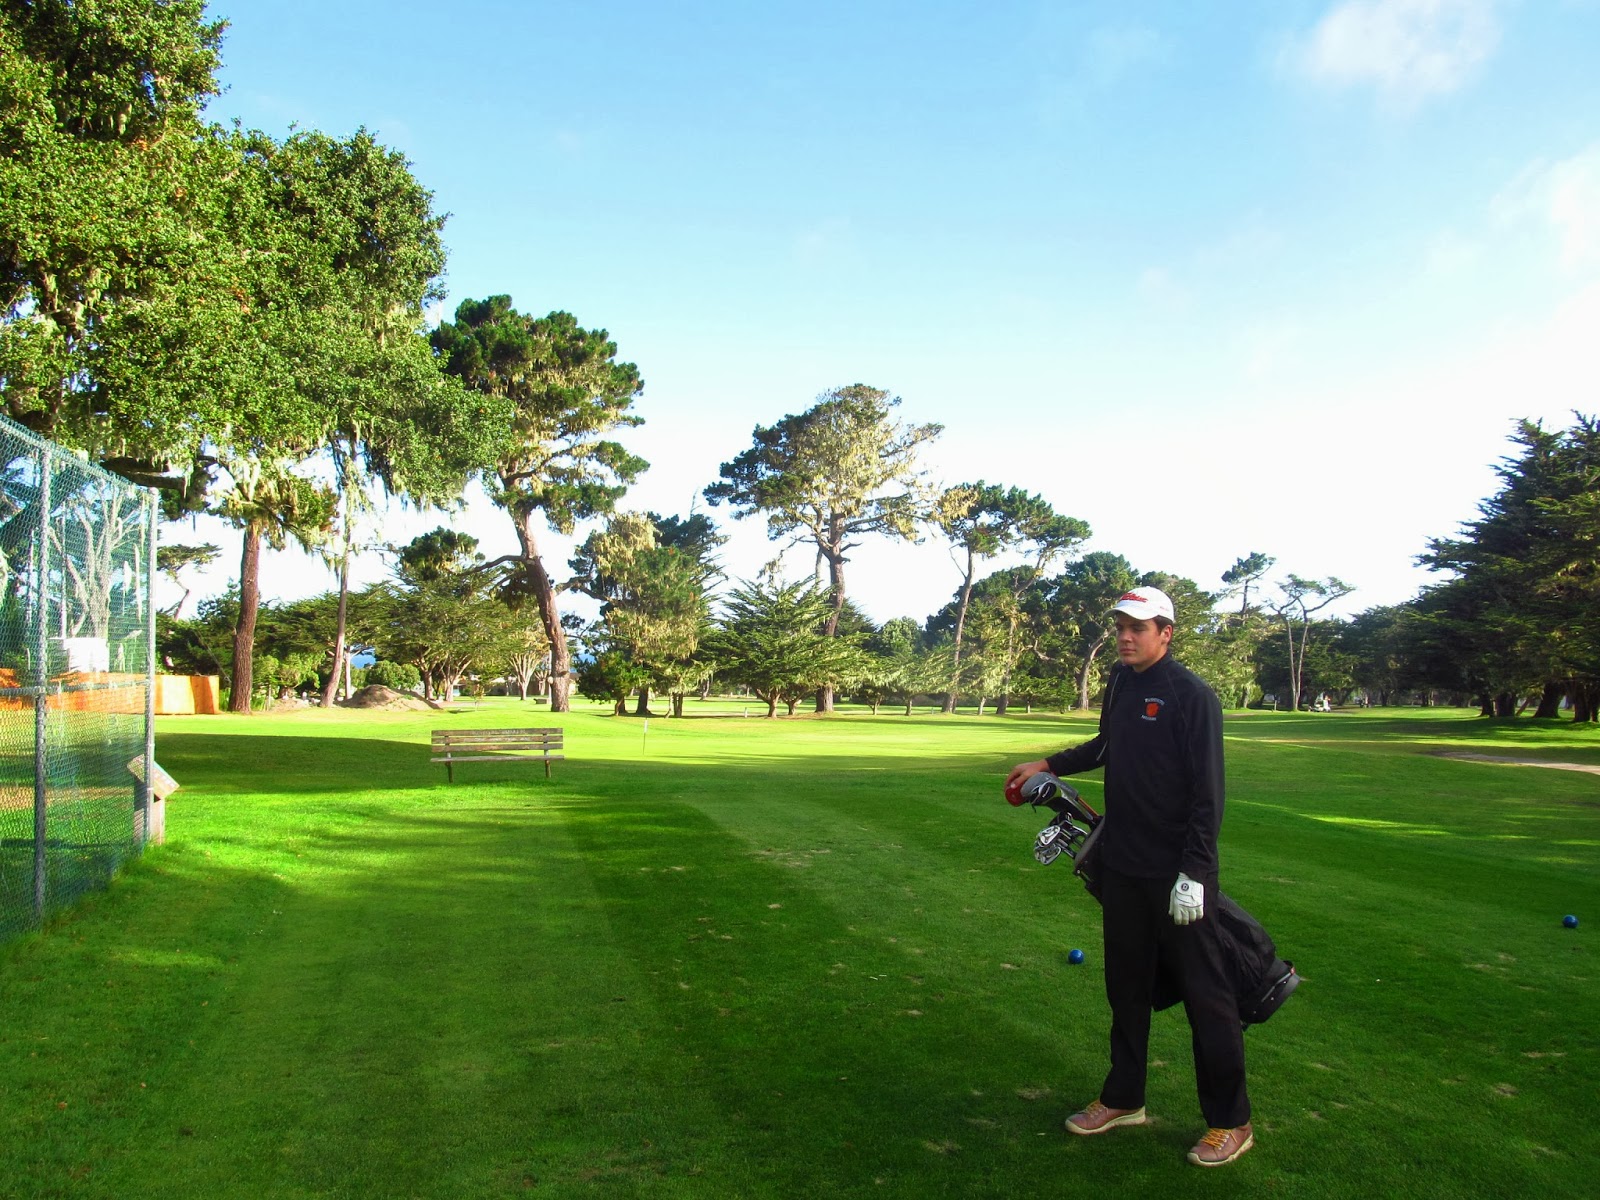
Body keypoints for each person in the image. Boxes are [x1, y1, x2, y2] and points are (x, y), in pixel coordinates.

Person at [1005, 586, 1253, 1168]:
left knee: (1207, 997)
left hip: (1178, 876)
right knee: (1126, 986)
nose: (1125, 635)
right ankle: (1124, 1098)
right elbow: (1106, 746)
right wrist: (1048, 764)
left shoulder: (1191, 695)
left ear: (1166, 633)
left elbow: (1207, 795)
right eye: (1120, 625)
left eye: (1138, 627)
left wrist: (1195, 872)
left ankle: (1230, 1121)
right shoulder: (1119, 684)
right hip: (1121, 863)